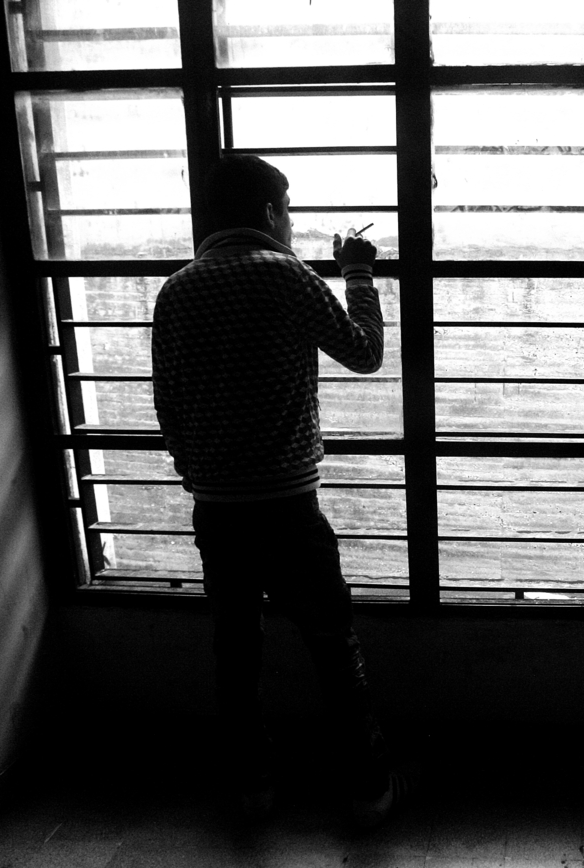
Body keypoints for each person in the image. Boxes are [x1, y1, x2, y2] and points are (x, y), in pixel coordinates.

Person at [151, 155, 403, 828]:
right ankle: (366, 784)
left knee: (236, 651)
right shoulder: (288, 277)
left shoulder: (176, 291)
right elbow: (365, 353)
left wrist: (197, 472)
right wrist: (356, 270)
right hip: (290, 506)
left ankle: (253, 786)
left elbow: (168, 405)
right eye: (287, 211)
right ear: (269, 213)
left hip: (218, 507)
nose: (291, 226)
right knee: (331, 644)